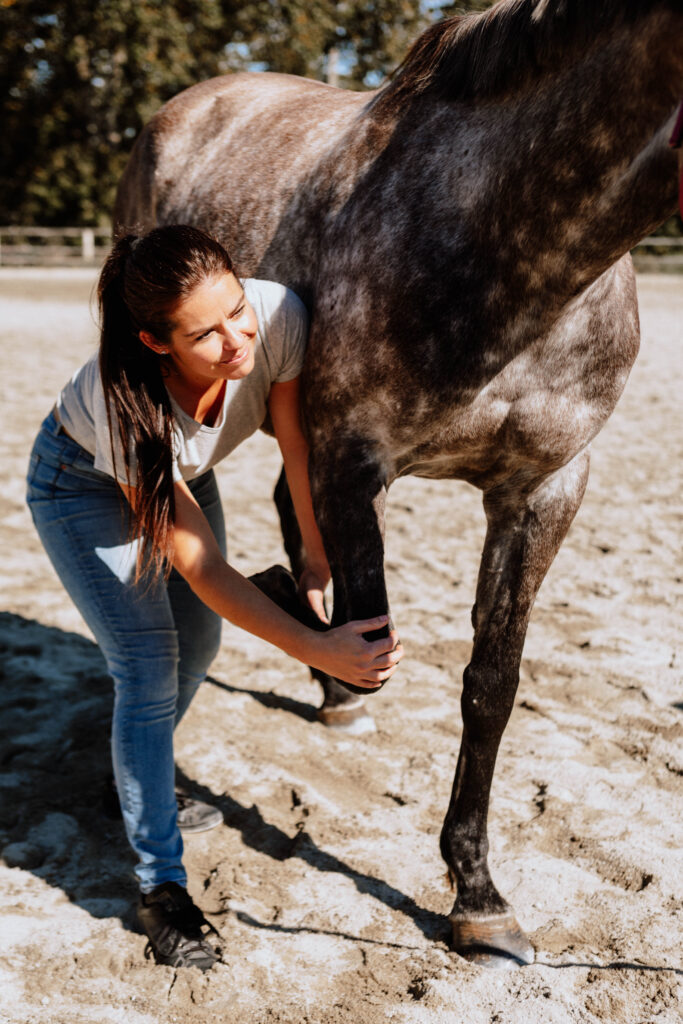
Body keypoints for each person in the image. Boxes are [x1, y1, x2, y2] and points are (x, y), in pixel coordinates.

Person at [26, 224, 402, 971]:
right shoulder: (120, 401)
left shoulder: (278, 312)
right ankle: (160, 888)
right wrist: (315, 649)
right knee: (148, 662)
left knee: (200, 644)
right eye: (206, 333)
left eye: (237, 308)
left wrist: (314, 559)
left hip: (186, 476)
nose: (237, 339)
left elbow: (293, 445)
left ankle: (126, 777)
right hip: (83, 483)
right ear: (156, 341)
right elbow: (199, 565)